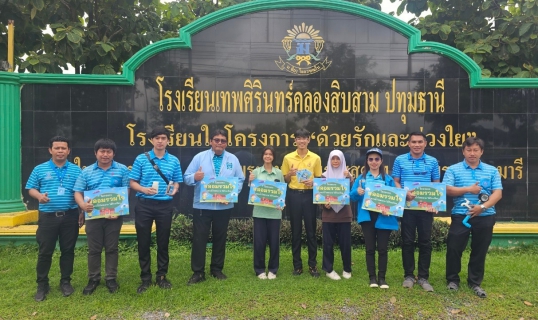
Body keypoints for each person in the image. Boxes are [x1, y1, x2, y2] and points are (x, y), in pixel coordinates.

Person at [442, 137, 502, 298]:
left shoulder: (492, 171)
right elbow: (447, 189)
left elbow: (498, 193)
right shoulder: (453, 170)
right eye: (468, 150)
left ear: (481, 152)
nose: (472, 153)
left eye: (476, 150)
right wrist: (468, 189)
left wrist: (482, 207)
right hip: (461, 215)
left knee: (479, 249)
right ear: (463, 151)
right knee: (454, 247)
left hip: (485, 215)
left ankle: (474, 282)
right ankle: (452, 280)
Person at [184, 129, 245, 285]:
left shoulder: (233, 159)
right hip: (202, 206)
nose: (219, 143)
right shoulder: (200, 157)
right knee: (199, 239)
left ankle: (216, 269)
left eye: (223, 140)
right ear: (210, 141)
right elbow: (186, 177)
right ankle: (198, 272)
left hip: (223, 207)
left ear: (226, 143)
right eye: (216, 140)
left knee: (220, 238)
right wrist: (195, 177)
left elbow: (239, 179)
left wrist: (232, 194)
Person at [26, 136, 83, 302]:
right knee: (45, 252)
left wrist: (81, 212)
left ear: (68, 151)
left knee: (68, 250)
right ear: (50, 150)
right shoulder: (40, 169)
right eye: (57, 148)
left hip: (70, 216)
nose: (60, 151)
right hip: (48, 217)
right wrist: (38, 196)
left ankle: (65, 281)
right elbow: (31, 188)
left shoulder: (76, 170)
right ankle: (42, 284)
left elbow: (79, 192)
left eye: (63, 148)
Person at [129, 127, 183, 293]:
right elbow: (132, 182)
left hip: (164, 206)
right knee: (144, 242)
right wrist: (144, 189)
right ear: (151, 140)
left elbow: (176, 182)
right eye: (157, 138)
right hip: (144, 205)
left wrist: (175, 188)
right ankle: (145, 278)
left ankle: (161, 276)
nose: (160, 141)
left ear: (168, 141)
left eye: (163, 138)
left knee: (163, 242)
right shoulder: (141, 159)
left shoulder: (174, 160)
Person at [73, 139, 130, 295]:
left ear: (113, 153)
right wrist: (83, 206)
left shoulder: (122, 170)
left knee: (112, 248)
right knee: (94, 249)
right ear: (95, 153)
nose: (105, 155)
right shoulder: (86, 171)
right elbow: (78, 192)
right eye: (102, 151)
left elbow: (125, 192)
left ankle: (111, 278)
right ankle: (93, 279)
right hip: (93, 216)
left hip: (114, 217)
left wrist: (117, 211)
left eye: (108, 151)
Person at [392, 132, 440, 292]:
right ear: (408, 143)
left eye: (420, 142)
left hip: (426, 209)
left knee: (425, 242)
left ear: (425, 143)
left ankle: (424, 277)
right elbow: (396, 181)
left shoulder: (433, 161)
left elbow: (436, 184)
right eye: (414, 142)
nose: (417, 144)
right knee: (407, 241)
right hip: (408, 207)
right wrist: (404, 193)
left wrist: (434, 204)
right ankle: (409, 275)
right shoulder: (400, 160)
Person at [350, 148, 398, 288]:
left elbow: (395, 199)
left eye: (377, 159)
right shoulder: (362, 178)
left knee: (383, 249)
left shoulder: (388, 179)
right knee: (370, 248)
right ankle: (372, 278)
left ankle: (382, 278)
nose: (374, 162)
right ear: (367, 161)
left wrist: (388, 209)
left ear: (381, 161)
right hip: (367, 217)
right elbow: (351, 196)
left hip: (383, 217)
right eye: (371, 159)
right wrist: (358, 192)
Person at [281, 128, 323, 277]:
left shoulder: (315, 158)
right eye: (299, 138)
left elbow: (320, 178)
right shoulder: (288, 158)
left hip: (309, 195)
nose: (301, 141)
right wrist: (290, 174)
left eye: (304, 138)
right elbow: (284, 180)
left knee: (311, 231)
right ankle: (297, 265)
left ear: (309, 140)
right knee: (296, 231)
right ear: (295, 140)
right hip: (294, 195)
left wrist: (313, 182)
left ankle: (313, 265)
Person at [249, 146, 285, 280]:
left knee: (274, 243)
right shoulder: (256, 172)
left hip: (275, 214)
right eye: (265, 154)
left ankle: (273, 269)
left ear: (273, 157)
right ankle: (259, 270)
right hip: (259, 213)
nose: (268, 156)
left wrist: (282, 202)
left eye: (270, 154)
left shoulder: (279, 173)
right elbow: (252, 191)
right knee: (259, 243)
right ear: (262, 156)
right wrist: (250, 180)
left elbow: (282, 192)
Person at [320, 150, 354, 280]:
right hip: (328, 215)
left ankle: (347, 269)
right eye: (333, 158)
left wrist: (349, 178)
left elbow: (352, 193)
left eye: (338, 159)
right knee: (328, 243)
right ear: (329, 160)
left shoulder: (348, 176)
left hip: (344, 214)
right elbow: (319, 196)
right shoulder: (324, 177)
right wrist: (324, 204)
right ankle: (329, 269)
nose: (335, 161)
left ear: (342, 161)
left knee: (345, 243)